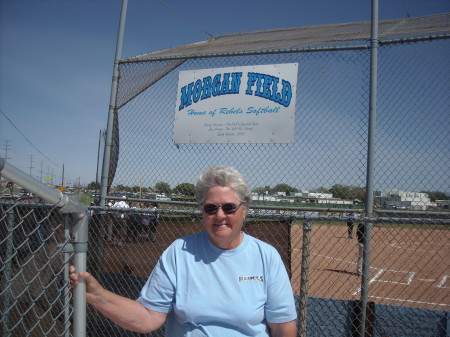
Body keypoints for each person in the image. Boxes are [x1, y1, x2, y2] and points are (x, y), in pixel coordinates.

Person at [70, 166, 297, 336]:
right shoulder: (180, 252)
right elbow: (148, 318)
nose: (219, 215)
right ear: (202, 212)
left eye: (229, 207)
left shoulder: (266, 256)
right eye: (211, 208)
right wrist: (96, 294)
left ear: (244, 210)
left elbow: (282, 327)